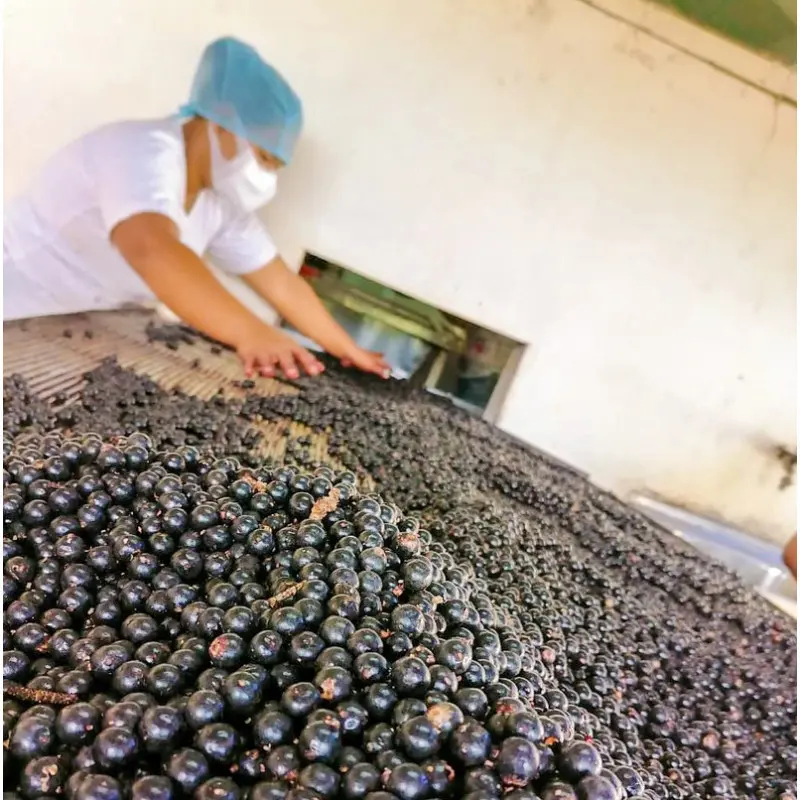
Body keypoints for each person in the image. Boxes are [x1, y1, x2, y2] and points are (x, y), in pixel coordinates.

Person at [3, 37, 389, 381]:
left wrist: (345, 348)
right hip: (18, 304)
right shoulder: (141, 151)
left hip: (75, 333)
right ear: (220, 124)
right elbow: (151, 247)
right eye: (263, 158)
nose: (266, 177)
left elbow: (280, 283)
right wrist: (252, 332)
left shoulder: (218, 203)